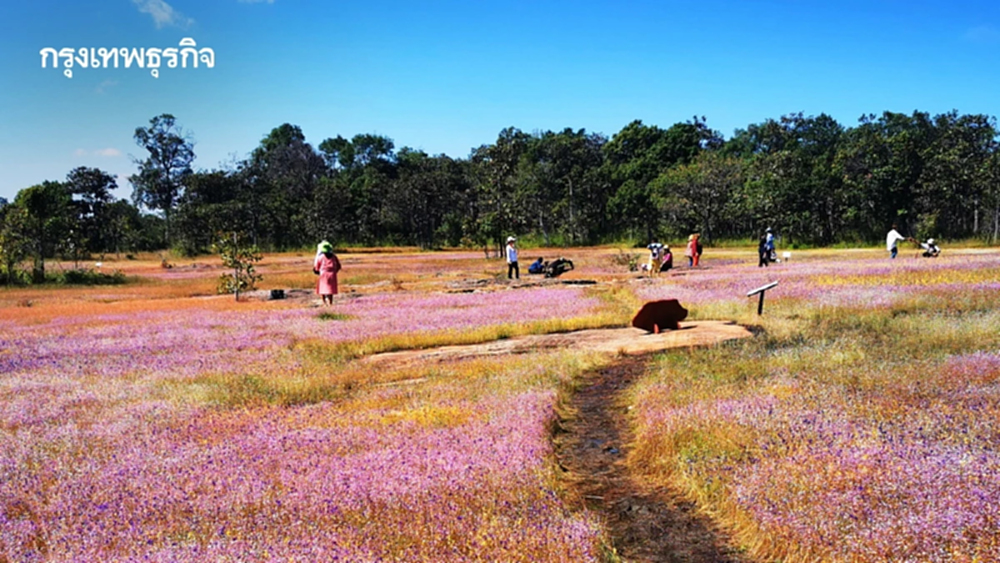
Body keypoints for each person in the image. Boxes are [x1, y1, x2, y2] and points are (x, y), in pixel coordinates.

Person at [313, 241, 342, 305]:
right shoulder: (334, 256)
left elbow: (317, 268)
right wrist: (334, 271)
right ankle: (330, 302)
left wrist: (317, 271)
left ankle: (324, 302)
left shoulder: (321, 257)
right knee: (330, 289)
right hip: (332, 274)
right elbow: (339, 266)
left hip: (323, 274)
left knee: (322, 288)